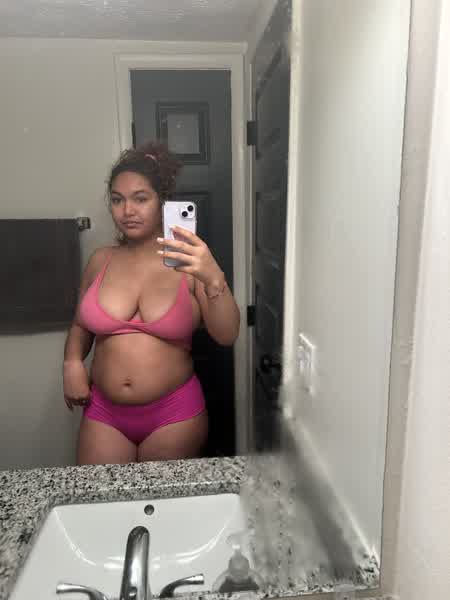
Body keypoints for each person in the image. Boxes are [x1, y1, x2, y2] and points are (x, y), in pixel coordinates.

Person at [63, 142, 240, 465]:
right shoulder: (100, 260)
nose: (127, 211)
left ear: (162, 202)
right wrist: (72, 363)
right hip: (104, 413)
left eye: (140, 198)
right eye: (117, 199)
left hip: (174, 414)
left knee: (163, 499)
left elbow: (226, 334)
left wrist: (214, 278)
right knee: (99, 496)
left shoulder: (189, 262)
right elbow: (80, 324)